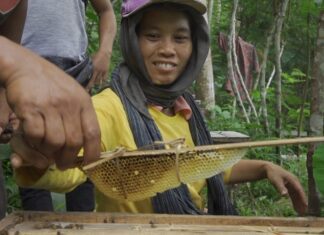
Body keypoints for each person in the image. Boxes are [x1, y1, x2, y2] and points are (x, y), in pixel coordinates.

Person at [13, 0, 308, 216]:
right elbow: (74, 171)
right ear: (131, 40)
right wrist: (39, 161)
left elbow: (197, 168)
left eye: (180, 38)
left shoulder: (185, 110)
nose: (168, 49)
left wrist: (264, 168)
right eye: (153, 36)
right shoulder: (107, 108)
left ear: (195, 46)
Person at [17, 0, 117, 212]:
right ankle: (37, 229)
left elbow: (106, 10)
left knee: (82, 155)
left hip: (74, 73)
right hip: (23, 72)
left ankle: (82, 225)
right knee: (32, 157)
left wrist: (105, 53)